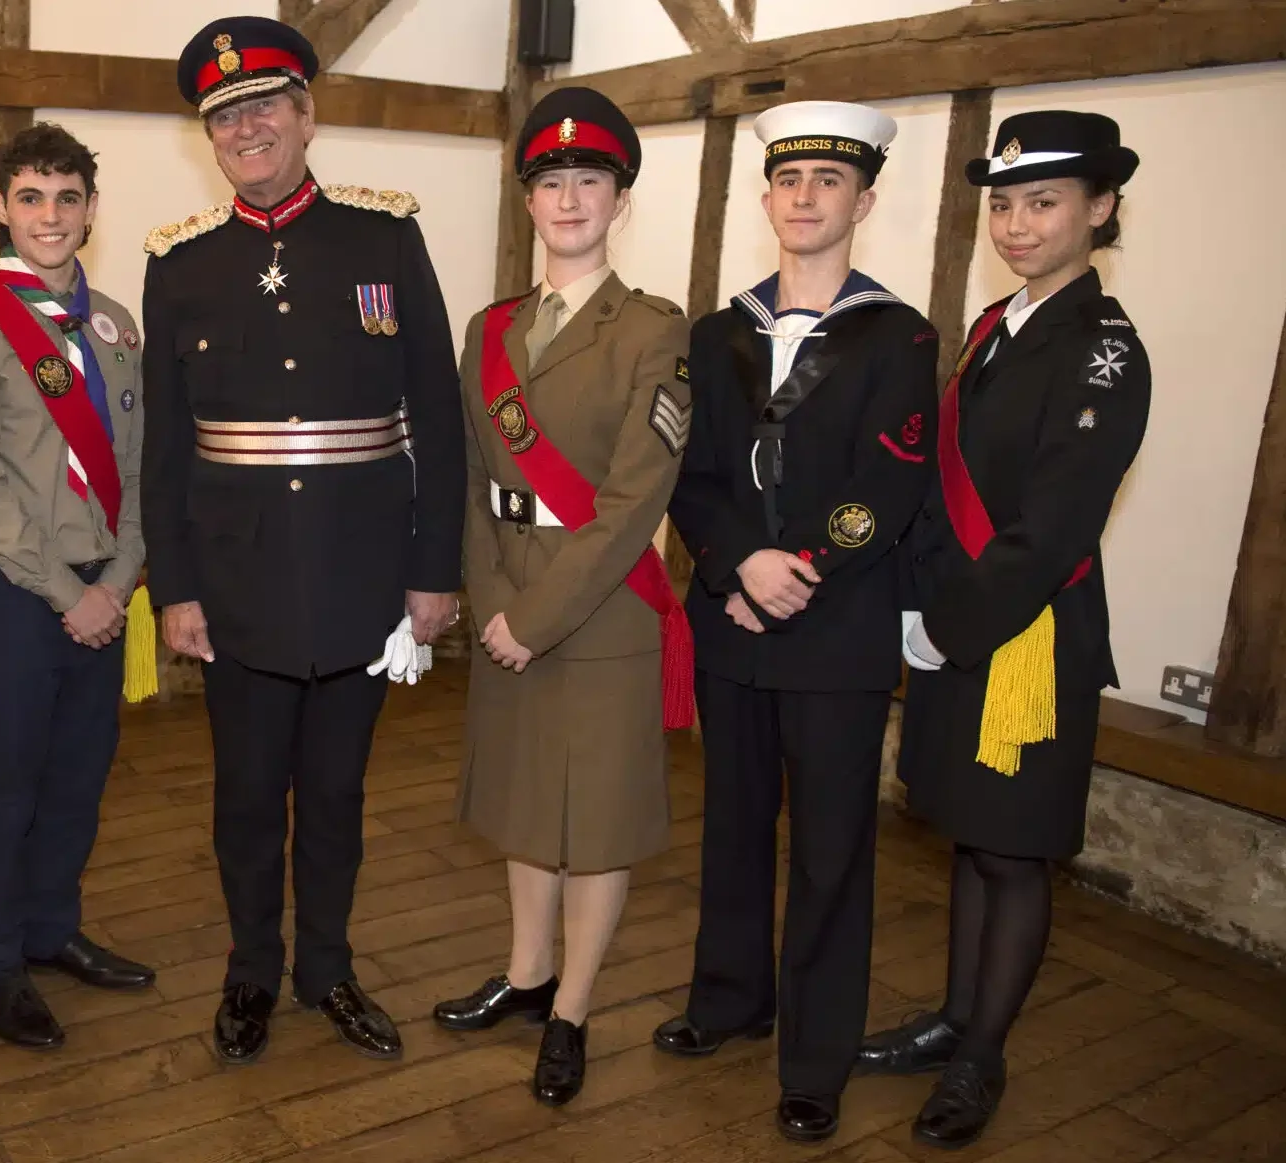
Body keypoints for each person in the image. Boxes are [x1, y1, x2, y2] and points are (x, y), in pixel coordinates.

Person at [142, 15, 466, 1065]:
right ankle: (250, 969)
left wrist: (431, 573)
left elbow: (437, 410)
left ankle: (325, 968)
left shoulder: (382, 236)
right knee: (244, 798)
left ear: (304, 114)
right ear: (209, 135)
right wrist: (174, 588)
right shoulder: (180, 261)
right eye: (225, 116)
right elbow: (164, 447)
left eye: (263, 107)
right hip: (233, 584)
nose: (246, 128)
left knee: (333, 794)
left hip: (360, 574)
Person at [859, 110, 1148, 1151]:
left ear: (1098, 209)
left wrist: (947, 621)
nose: (1016, 225)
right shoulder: (996, 326)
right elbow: (942, 482)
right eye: (1003, 204)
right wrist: (910, 598)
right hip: (954, 623)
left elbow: (1052, 524)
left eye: (1042, 204)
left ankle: (982, 1051)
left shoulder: (1102, 350)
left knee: (1014, 850)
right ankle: (951, 1015)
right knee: (969, 836)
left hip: (1023, 635)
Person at [656, 100, 941, 1143]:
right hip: (732, 619)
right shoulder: (717, 330)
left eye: (827, 182)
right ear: (766, 197)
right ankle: (729, 998)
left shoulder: (897, 334)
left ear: (863, 199)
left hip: (835, 631)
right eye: (787, 181)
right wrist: (737, 565)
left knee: (828, 852)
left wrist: (800, 567)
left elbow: (893, 477)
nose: (804, 198)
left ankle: (815, 1056)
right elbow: (691, 477)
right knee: (729, 830)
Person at [432, 87, 695, 1107]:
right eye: (551, 181)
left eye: (590, 180)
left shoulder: (652, 331)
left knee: (596, 822)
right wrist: (489, 597)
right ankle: (526, 971)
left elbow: (634, 500)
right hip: (506, 597)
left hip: (598, 610)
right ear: (528, 201)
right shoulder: (487, 327)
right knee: (526, 804)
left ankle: (574, 1007)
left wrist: (533, 617)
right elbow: (469, 478)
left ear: (618, 199)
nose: (569, 197)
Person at [0, 122, 157, 1051]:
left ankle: (52, 928)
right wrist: (72, 592)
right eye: (30, 197)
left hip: (108, 587)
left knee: (78, 775)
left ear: (91, 210)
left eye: (67, 198)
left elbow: (140, 468)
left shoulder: (116, 324)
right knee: (6, 780)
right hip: (17, 595)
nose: (50, 216)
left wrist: (127, 571)